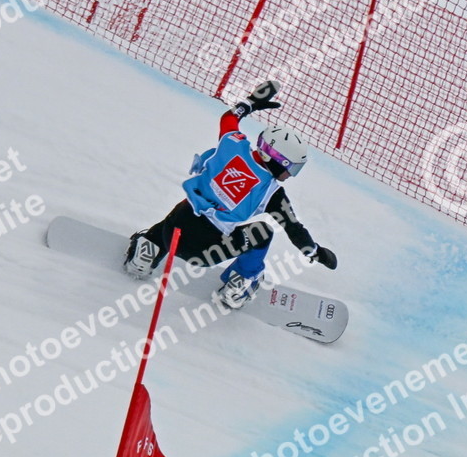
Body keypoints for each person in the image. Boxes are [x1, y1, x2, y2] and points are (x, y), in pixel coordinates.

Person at [125, 81, 337, 307]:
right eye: (291, 168)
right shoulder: (272, 193)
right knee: (263, 233)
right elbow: (294, 229)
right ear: (277, 161)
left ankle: (149, 250)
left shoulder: (233, 144)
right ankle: (237, 286)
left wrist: (251, 102)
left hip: (172, 233)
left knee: (190, 205)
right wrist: (316, 253)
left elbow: (228, 118)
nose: (290, 175)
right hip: (205, 253)